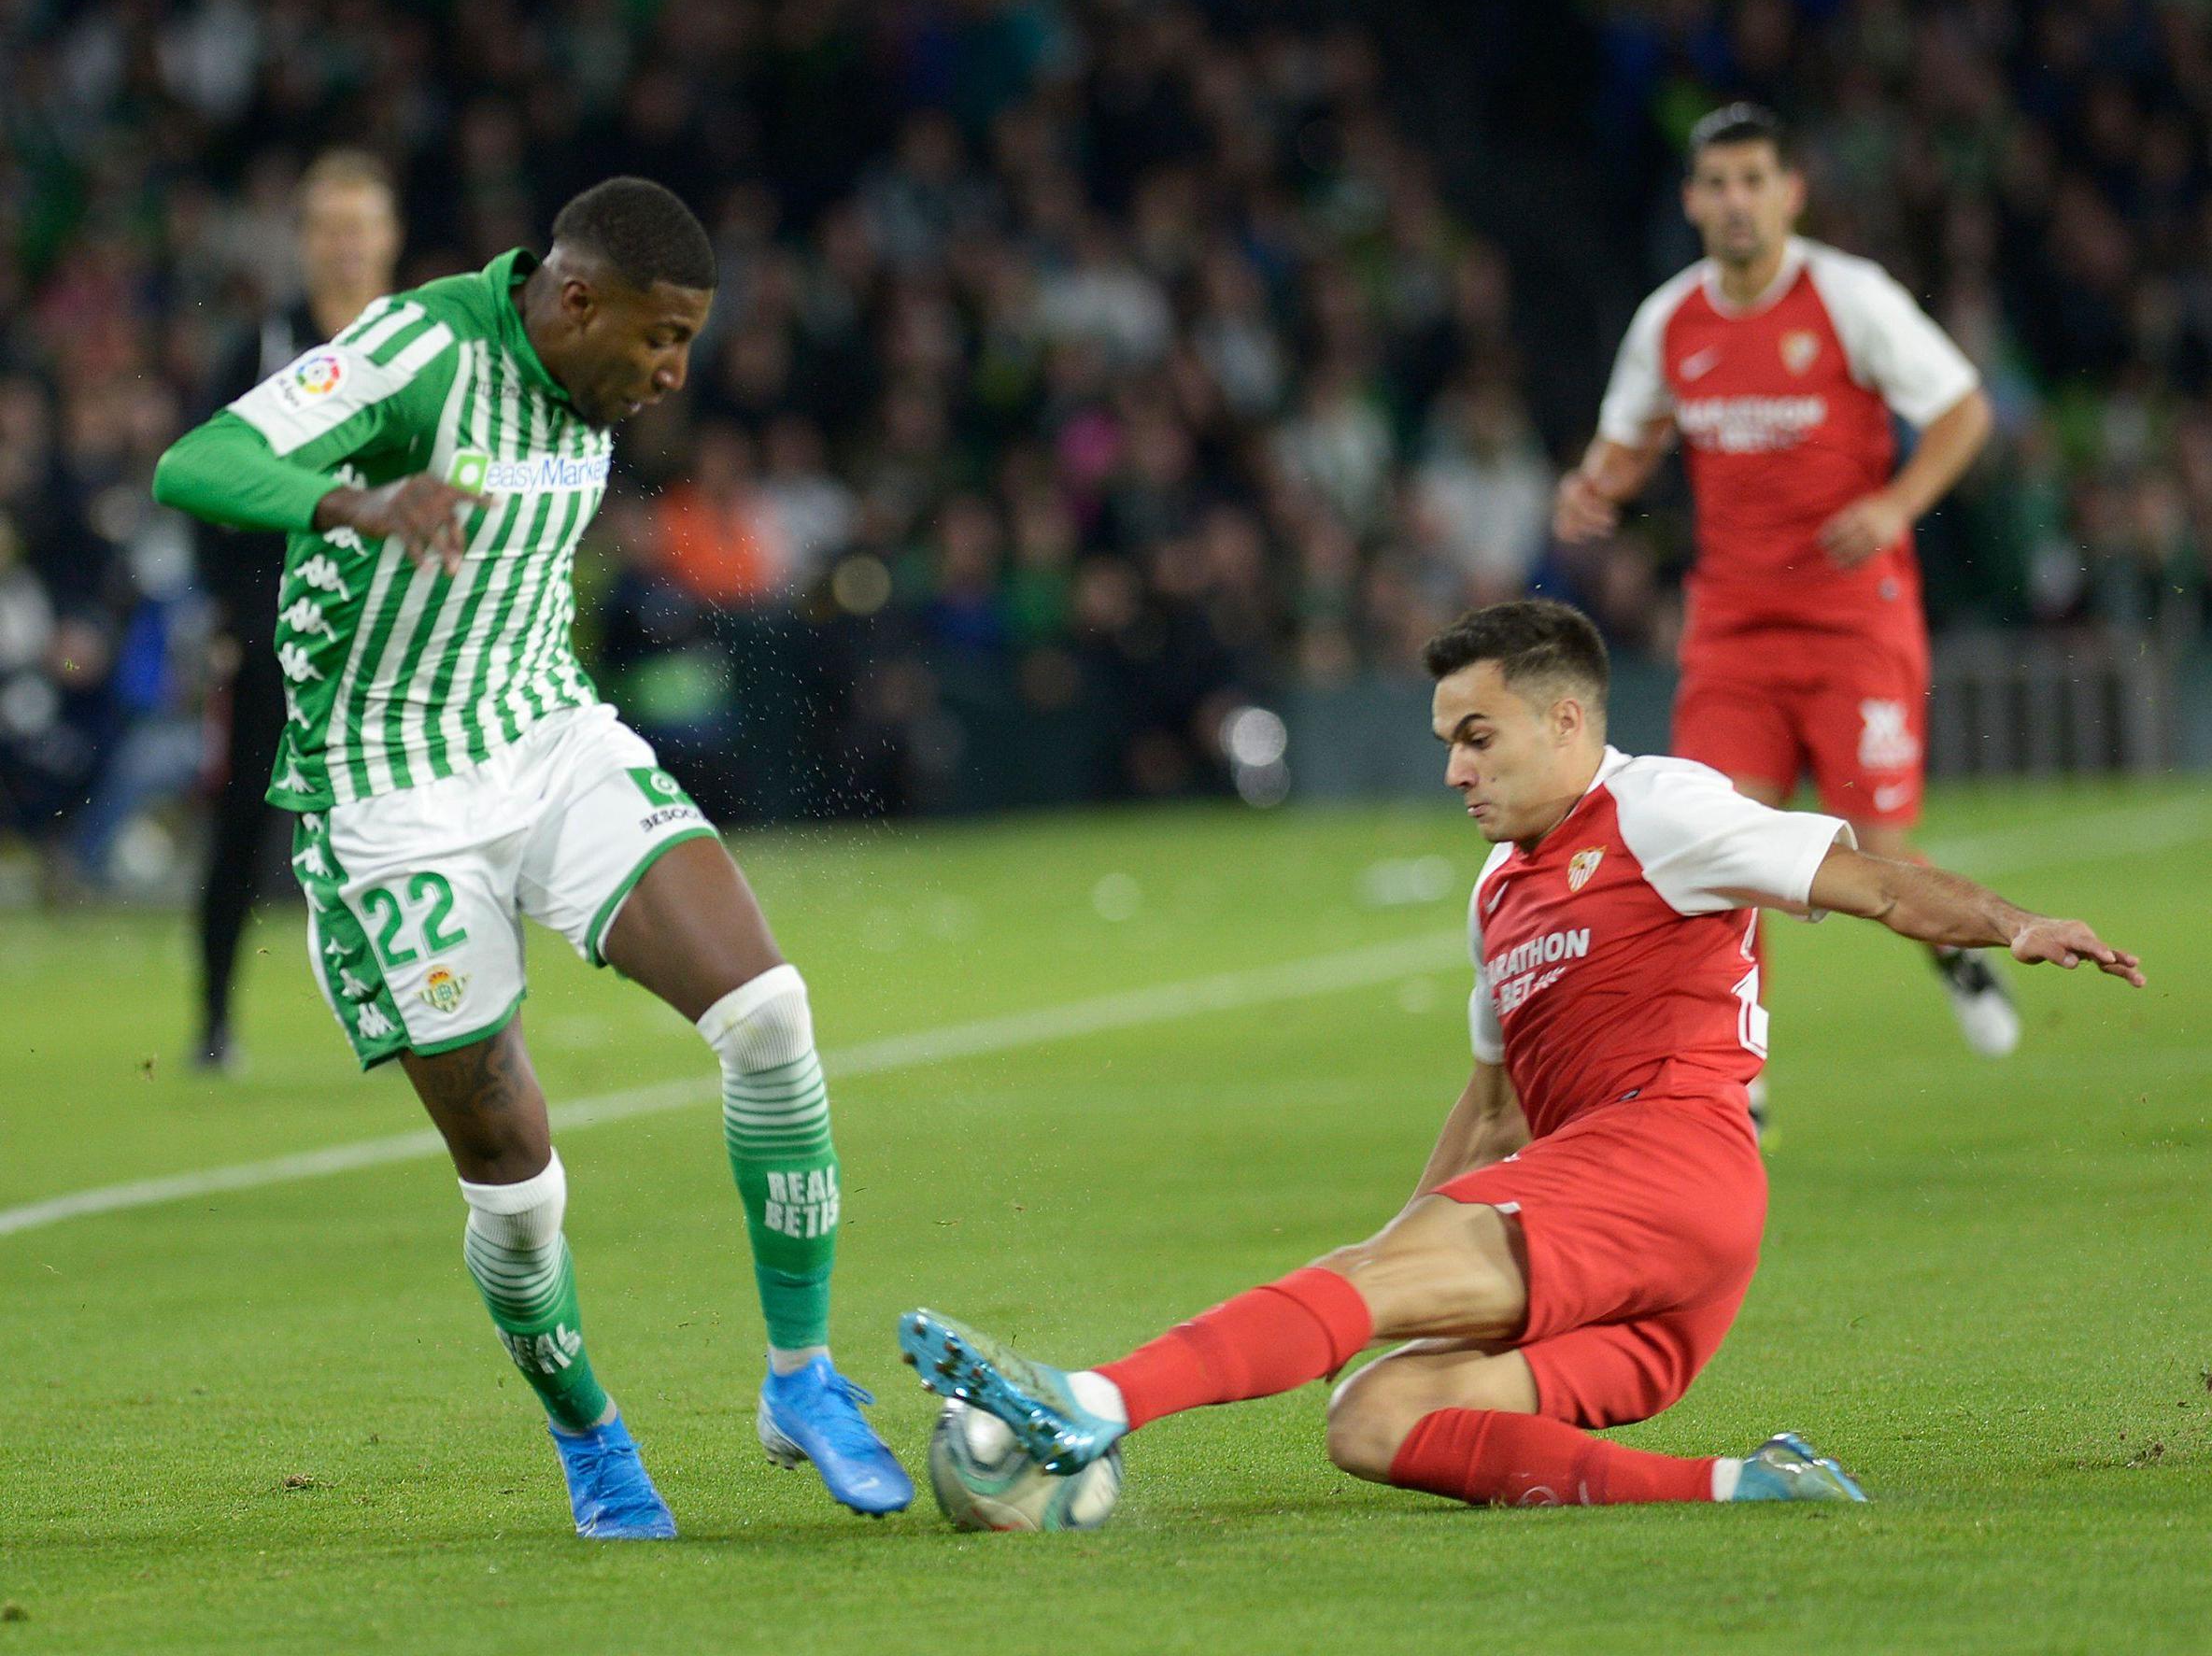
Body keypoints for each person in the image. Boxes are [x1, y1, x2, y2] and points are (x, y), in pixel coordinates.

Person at [898, 599, 2140, 1509]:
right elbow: (1493, 1115)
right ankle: (1738, 1491)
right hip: (1662, 1286)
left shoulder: (1665, 808)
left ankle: (1091, 1401)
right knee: (1375, 1417)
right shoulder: (1500, 891)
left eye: (1478, 737)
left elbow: (1871, 881)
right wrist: (1397, 1248)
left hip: (1672, 1159)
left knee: (1373, 1285)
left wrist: (2013, 923)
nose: (1454, 769)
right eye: (1447, 739)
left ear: (1563, 719)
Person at [153, 177, 913, 1536]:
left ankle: (802, 1379)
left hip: (542, 735)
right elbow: (198, 461)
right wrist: (355, 506)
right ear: (576, 302)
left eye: (689, 342)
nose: (675, 374)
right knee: (513, 1176)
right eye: (660, 339)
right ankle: (593, 1440)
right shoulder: (418, 352)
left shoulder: (594, 383)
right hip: (390, 800)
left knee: (771, 1016)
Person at [1553, 104, 2013, 1132]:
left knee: (1882, 841)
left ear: (1789, 192)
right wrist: (1596, 485)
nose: (1735, 202)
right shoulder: (1669, 320)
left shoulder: (1849, 299)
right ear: (1691, 201)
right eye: (1716, 184)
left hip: (1855, 621)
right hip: (1733, 626)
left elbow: (1962, 408)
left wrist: (1894, 503)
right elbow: (1629, 442)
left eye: (1753, 180)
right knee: (1720, 845)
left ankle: (1956, 953)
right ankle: (1736, 1083)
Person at [191, 149, 404, 1073]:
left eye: (359, 227)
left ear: (389, 239)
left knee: (411, 821)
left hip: (396, 628)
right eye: (328, 228)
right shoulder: (263, 349)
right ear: (303, 242)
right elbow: (206, 480)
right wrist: (235, 619)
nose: (345, 247)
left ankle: (429, 1012)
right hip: (284, 626)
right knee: (245, 818)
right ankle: (213, 1021)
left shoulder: (414, 343)